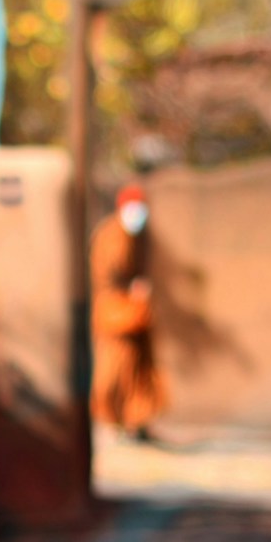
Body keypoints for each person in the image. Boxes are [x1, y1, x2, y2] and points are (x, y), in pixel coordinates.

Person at [89, 183, 166, 440]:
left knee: (139, 369)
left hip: (135, 312)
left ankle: (137, 421)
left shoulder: (139, 236)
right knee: (112, 368)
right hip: (115, 313)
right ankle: (110, 421)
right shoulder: (111, 235)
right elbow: (110, 272)